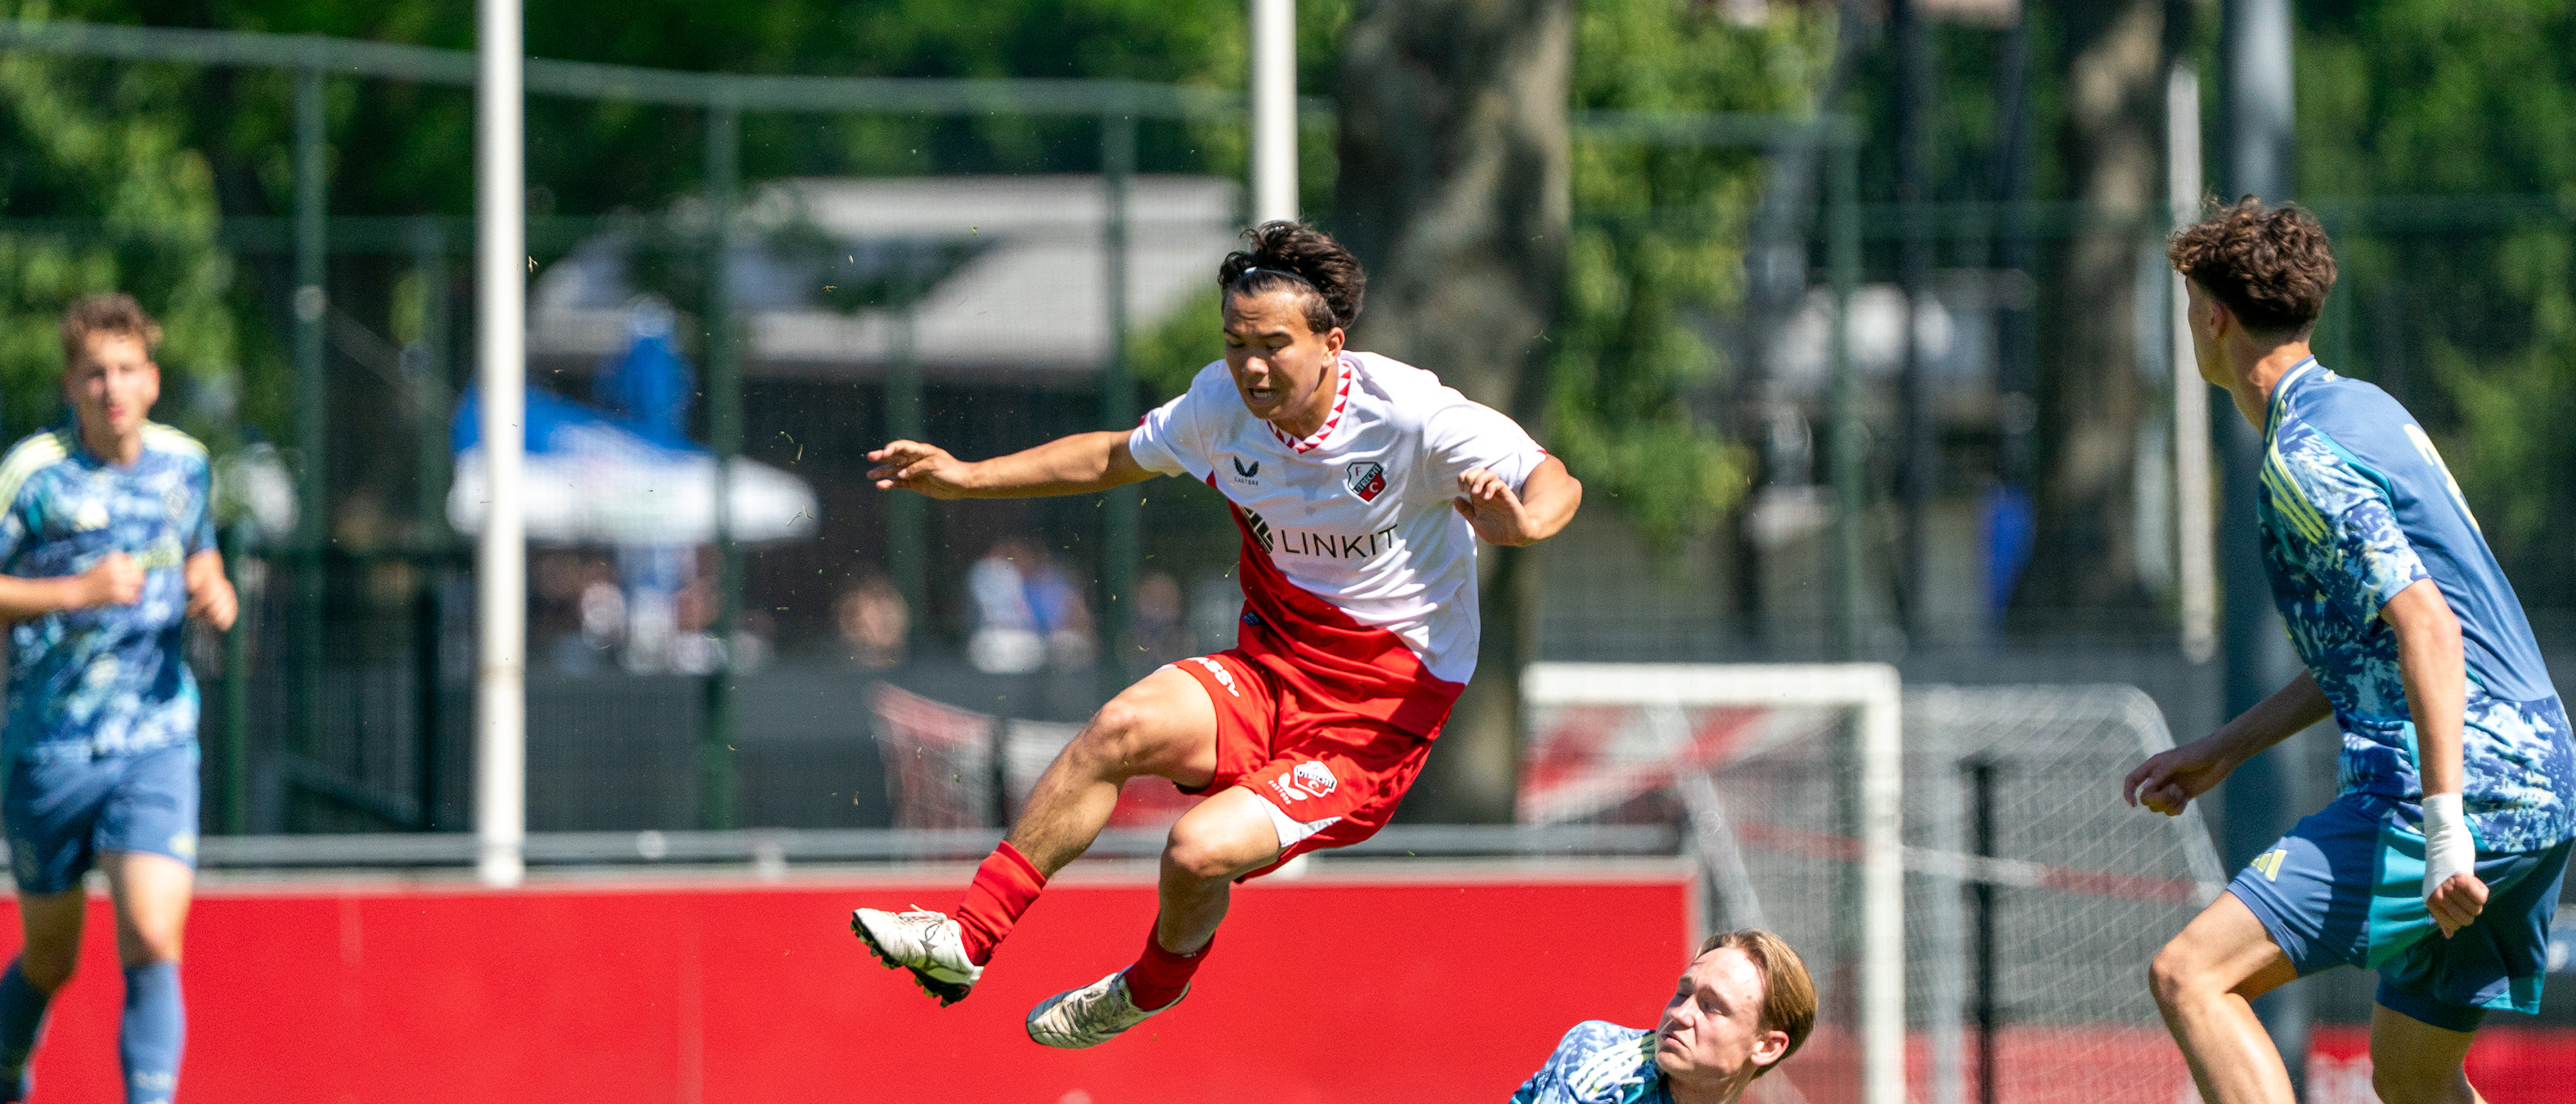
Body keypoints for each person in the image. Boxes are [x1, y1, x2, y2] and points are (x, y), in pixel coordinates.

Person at [851, 221, 1583, 1047]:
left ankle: (1151, 986)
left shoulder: (1408, 414)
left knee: (1196, 852)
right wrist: (965, 478)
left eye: (1273, 344)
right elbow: (1111, 458)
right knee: (1122, 725)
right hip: (1272, 667)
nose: (1253, 366)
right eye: (1237, 343)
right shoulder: (1219, 405)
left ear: (1332, 344)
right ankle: (966, 938)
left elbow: (1554, 480)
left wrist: (1520, 526)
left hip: (1371, 724)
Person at [2126, 200, 2574, 1104]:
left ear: (2212, 316)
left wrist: (2448, 830)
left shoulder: (2305, 456)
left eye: (2187, 308)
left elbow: (2429, 629)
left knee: (2191, 976)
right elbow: (2373, 647)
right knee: (2414, 1082)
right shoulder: (2365, 408)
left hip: (2455, 790)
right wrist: (2220, 751)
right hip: (2542, 778)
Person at [0, 294, 237, 1104]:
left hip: (156, 736)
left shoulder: (188, 465)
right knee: (52, 958)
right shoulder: (34, 477)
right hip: (50, 747)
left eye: (127, 370)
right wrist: (75, 590)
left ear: (154, 380)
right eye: (95, 372)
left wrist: (214, 586)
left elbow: (198, 552)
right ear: (71, 383)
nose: (112, 387)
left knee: (150, 933)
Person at [1512, 930, 1815, 1104]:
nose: (1680, 1014)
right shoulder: (1601, 1058)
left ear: (1766, 1047)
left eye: (1712, 1006)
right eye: (1683, 993)